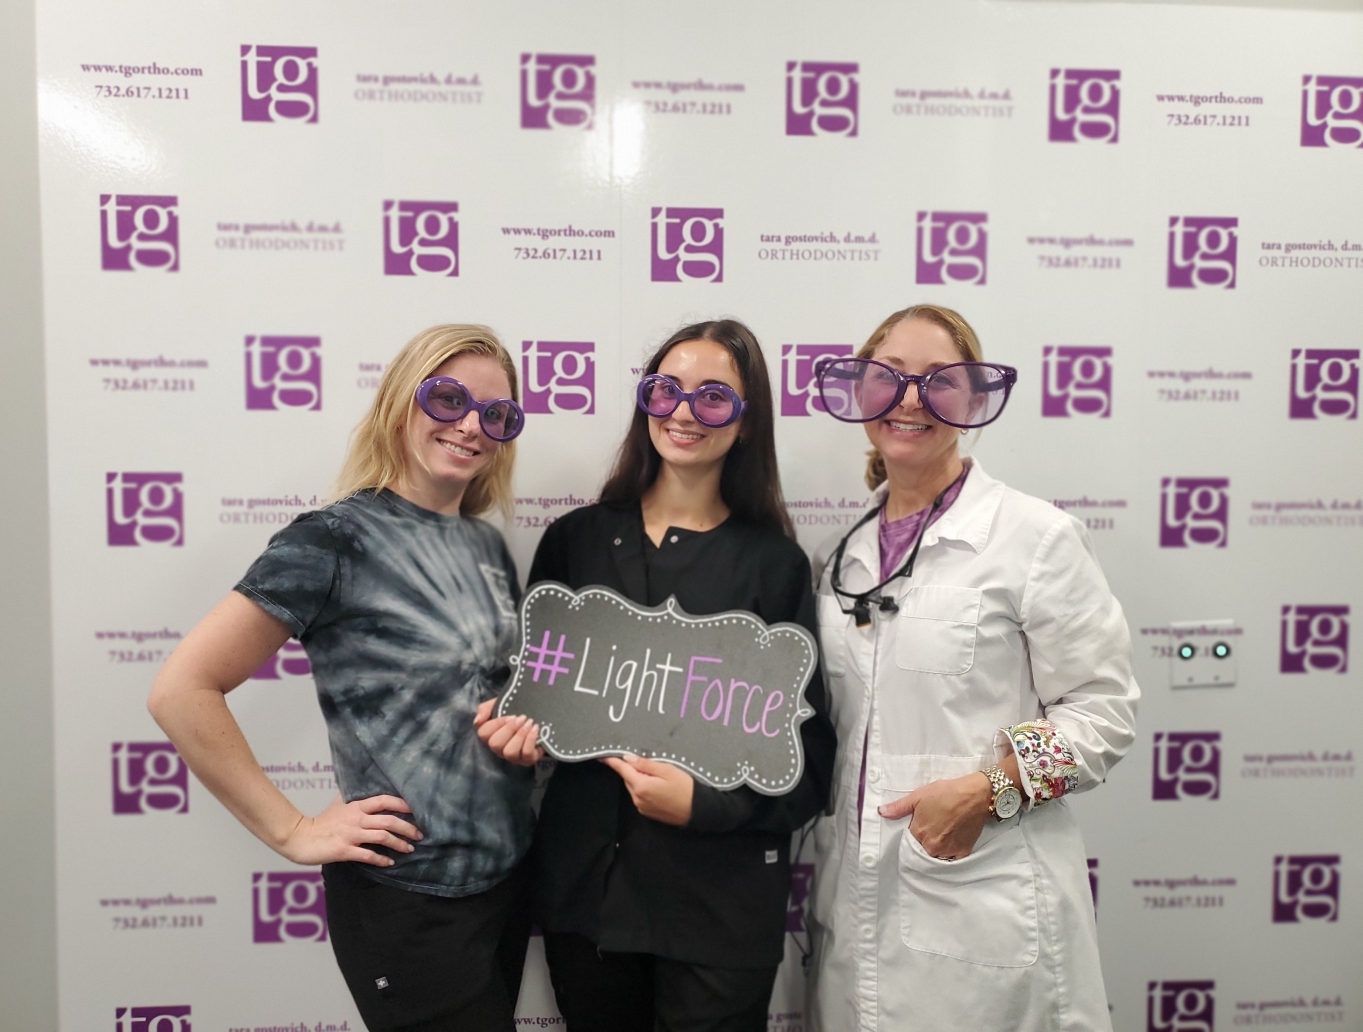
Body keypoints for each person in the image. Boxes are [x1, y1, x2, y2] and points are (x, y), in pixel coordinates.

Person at [148, 325, 534, 1032]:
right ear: (400, 401)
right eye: (449, 399)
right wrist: (292, 831)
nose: (472, 426)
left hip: (504, 887)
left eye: (496, 414)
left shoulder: (483, 542)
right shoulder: (331, 539)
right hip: (408, 899)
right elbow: (181, 690)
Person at [477, 319, 837, 1032]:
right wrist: (519, 736)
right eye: (666, 389)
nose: (683, 411)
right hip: (588, 904)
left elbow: (807, 764)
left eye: (713, 397)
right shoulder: (575, 541)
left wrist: (704, 805)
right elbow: (538, 699)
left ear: (747, 420)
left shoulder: (775, 566)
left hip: (718, 914)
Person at [805, 304, 1139, 1032]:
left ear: (974, 400)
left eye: (939, 380)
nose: (911, 399)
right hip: (853, 905)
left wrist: (993, 790)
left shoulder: (1034, 537)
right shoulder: (840, 556)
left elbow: (1104, 714)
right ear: (861, 392)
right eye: (890, 377)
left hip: (984, 898)